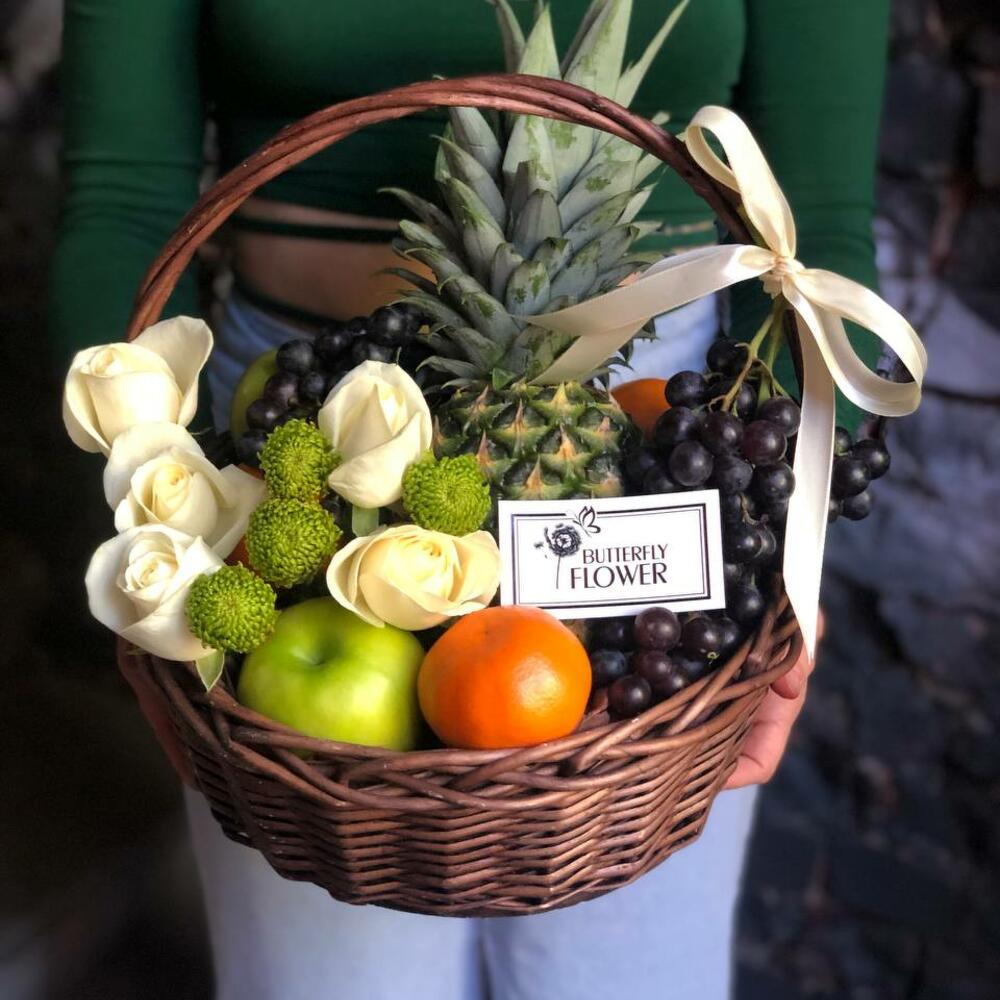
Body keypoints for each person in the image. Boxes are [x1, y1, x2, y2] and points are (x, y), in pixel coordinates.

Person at [50, 2, 888, 997]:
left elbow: (813, 223)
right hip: (283, 431)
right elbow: (121, 201)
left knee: (628, 970)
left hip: (653, 430)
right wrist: (150, 535)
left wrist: (783, 545)